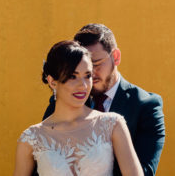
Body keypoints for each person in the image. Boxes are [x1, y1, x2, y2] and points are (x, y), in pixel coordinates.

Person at [42, 24, 165, 176]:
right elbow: (42, 162)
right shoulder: (63, 99)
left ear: (116, 57)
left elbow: (144, 171)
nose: (90, 74)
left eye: (96, 64)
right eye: (79, 68)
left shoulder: (146, 106)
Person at [14, 40, 143, 176]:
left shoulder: (112, 124)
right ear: (52, 82)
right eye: (72, 76)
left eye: (87, 76)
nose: (83, 85)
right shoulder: (31, 138)